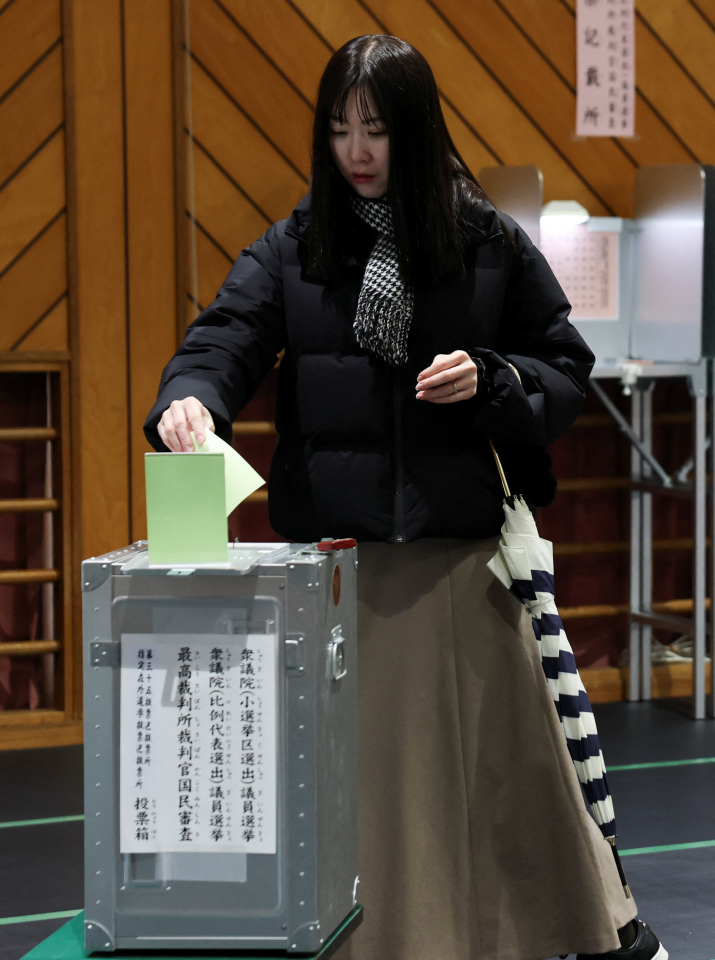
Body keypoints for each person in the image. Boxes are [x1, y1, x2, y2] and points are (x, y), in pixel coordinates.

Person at [144, 35, 665, 960]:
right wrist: (189, 398)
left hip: (463, 570)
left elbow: (565, 372)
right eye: (340, 128)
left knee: (500, 790)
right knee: (357, 797)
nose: (356, 150)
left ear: (415, 131)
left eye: (376, 128)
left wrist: (497, 381)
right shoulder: (295, 245)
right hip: (338, 578)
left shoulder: (488, 243)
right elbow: (223, 337)